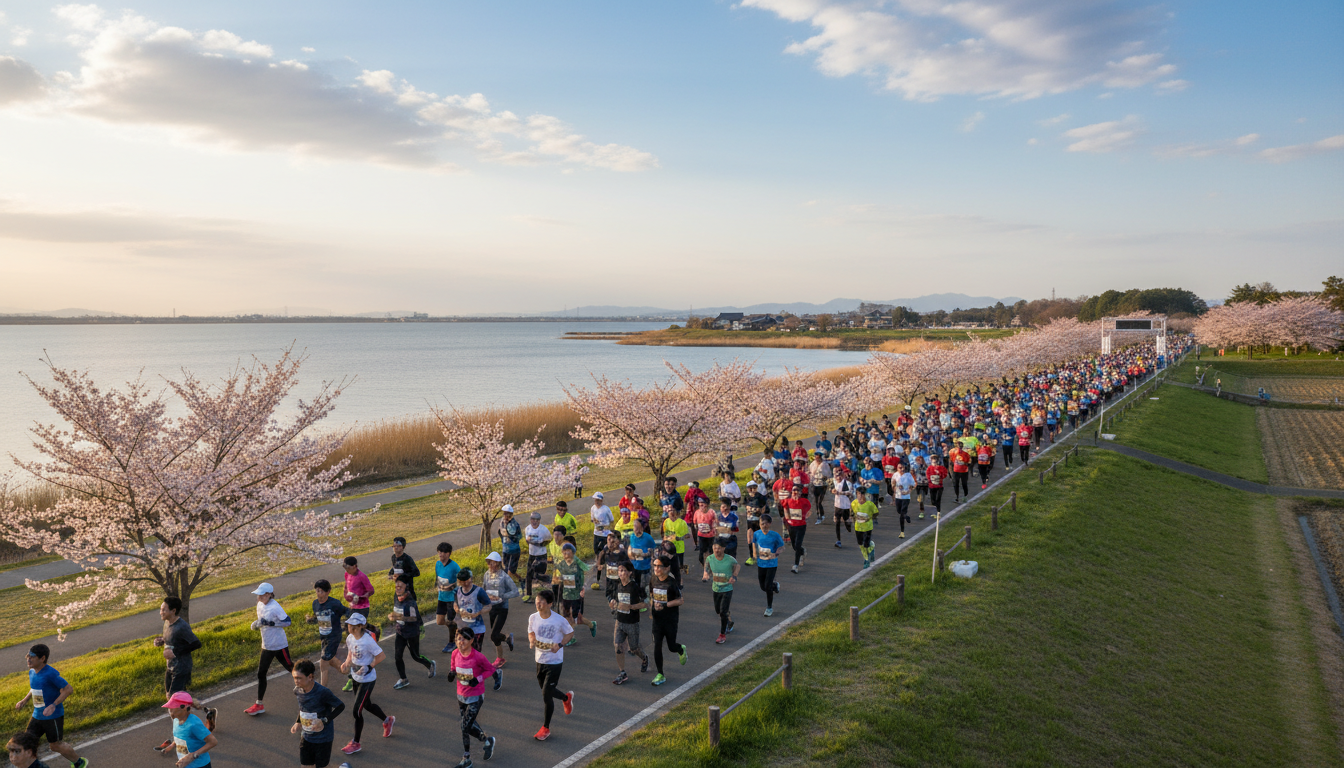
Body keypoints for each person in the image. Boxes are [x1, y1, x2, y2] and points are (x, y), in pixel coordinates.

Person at [15, 644, 88, 768]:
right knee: (26, 743)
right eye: (27, 656)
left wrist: (54, 705)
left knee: (55, 745)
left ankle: (79, 762)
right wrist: (24, 700)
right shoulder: (32, 672)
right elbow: (35, 688)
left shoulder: (51, 674)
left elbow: (68, 689)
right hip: (37, 715)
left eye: (32, 657)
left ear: (42, 658)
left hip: (52, 717)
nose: (28, 659)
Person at [153, 596, 210, 751]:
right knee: (170, 697)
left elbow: (196, 643)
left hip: (181, 667)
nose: (161, 612)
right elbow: (171, 640)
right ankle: (207, 711)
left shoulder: (182, 626)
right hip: (170, 667)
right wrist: (161, 641)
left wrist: (176, 652)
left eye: (164, 609)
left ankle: (177, 738)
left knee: (175, 702)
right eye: (161, 609)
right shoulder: (167, 623)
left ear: (173, 611)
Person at [339, 614, 393, 756]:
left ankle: (355, 743)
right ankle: (388, 720)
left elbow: (381, 656)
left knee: (357, 711)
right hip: (356, 677)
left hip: (367, 680)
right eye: (348, 624)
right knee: (367, 705)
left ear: (360, 626)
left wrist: (370, 666)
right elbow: (351, 652)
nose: (348, 627)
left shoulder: (368, 641)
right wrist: (346, 663)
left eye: (351, 625)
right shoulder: (350, 638)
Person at [527, 589, 575, 741]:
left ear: (550, 604)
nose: (538, 603)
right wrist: (531, 640)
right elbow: (531, 632)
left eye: (541, 601)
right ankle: (565, 698)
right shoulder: (533, 617)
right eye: (537, 600)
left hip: (554, 661)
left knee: (546, 693)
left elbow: (570, 633)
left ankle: (545, 728)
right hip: (539, 660)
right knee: (547, 690)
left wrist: (560, 644)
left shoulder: (559, 620)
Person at [449, 628, 499, 768]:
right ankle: (487, 740)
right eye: (459, 638)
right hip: (461, 695)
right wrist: (451, 674)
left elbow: (490, 669)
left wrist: (478, 679)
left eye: (464, 639)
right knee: (468, 725)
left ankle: (466, 759)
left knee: (464, 727)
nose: (461, 641)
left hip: (476, 696)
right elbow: (453, 667)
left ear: (471, 641)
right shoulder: (454, 653)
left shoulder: (478, 657)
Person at [245, 582, 293, 716]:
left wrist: (271, 623)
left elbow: (288, 621)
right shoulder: (260, 604)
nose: (258, 597)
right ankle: (259, 704)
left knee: (291, 667)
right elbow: (261, 620)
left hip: (279, 645)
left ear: (268, 594)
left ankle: (310, 685)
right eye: (258, 595)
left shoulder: (275, 607)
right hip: (266, 645)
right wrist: (257, 624)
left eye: (261, 595)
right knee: (261, 673)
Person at [290, 659, 345, 768]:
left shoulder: (323, 692)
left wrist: (324, 720)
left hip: (323, 738)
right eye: (294, 678)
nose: (296, 681)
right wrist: (298, 721)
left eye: (299, 678)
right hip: (306, 736)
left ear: (310, 677)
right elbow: (303, 708)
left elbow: (340, 706)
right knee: (305, 766)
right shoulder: (298, 691)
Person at [388, 575, 435, 689]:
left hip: (412, 633)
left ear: (406, 587)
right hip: (400, 632)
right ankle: (403, 679)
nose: (397, 588)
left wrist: (398, 617)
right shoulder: (396, 596)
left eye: (400, 586)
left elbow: (414, 618)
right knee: (397, 656)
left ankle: (430, 664)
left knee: (416, 656)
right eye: (396, 586)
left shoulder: (410, 602)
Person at [648, 555, 688, 686]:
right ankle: (660, 674)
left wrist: (665, 605)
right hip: (657, 620)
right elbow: (652, 596)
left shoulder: (672, 582)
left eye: (659, 566)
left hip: (670, 619)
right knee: (657, 645)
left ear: (667, 568)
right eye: (655, 565)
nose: (656, 568)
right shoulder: (653, 579)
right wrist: (651, 610)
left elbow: (680, 601)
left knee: (671, 646)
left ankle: (680, 649)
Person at [609, 562, 649, 685]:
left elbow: (645, 603)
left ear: (630, 572)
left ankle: (644, 658)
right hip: (619, 621)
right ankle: (622, 672)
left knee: (634, 648)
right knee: (618, 647)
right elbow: (614, 600)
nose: (621, 573)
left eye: (624, 570)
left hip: (632, 623)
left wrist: (631, 606)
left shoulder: (635, 587)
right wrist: (612, 604)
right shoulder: (617, 585)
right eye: (620, 570)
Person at [481, 552, 520, 669]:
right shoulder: (486, 575)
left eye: (491, 562)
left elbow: (515, 591)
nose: (489, 564)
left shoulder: (504, 576)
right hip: (491, 608)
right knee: (495, 635)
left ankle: (500, 658)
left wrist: (502, 596)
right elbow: (483, 589)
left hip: (502, 608)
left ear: (497, 563)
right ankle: (507, 638)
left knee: (493, 635)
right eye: (488, 562)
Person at [305, 580, 347, 688]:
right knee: (331, 661)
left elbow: (347, 612)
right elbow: (318, 618)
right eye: (317, 591)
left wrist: (351, 623)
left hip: (334, 636)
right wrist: (311, 620)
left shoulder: (334, 604)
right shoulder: (315, 604)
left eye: (321, 591)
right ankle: (353, 676)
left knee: (323, 662)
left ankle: (322, 690)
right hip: (324, 636)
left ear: (328, 592)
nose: (319, 594)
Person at [551, 543, 595, 642]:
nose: (566, 554)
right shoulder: (562, 563)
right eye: (564, 552)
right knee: (567, 616)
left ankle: (590, 625)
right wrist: (558, 579)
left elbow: (588, 569)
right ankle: (571, 636)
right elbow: (558, 575)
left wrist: (584, 587)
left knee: (574, 617)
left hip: (576, 594)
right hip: (566, 593)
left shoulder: (577, 562)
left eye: (568, 551)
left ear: (573, 552)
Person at [160, 692, 216, 768]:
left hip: (200, 765)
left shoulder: (194, 724)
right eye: (169, 708)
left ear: (184, 708)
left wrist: (192, 756)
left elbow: (213, 742)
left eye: (172, 708)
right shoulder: (176, 721)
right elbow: (181, 736)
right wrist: (172, 745)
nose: (170, 711)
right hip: (185, 764)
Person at [702, 539, 739, 644]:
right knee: (718, 611)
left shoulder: (729, 559)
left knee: (722, 612)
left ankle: (722, 635)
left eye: (719, 548)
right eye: (715, 548)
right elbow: (707, 567)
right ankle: (729, 621)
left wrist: (734, 576)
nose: (716, 550)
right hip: (716, 588)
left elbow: (737, 566)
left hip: (727, 589)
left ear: (723, 548)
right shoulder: (710, 558)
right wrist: (705, 574)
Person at [752, 514, 785, 616]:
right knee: (763, 587)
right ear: (759, 524)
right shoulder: (756, 534)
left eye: (766, 523)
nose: (764, 525)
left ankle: (769, 608)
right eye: (762, 524)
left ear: (770, 524)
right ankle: (775, 585)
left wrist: (776, 553)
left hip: (771, 564)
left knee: (768, 586)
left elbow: (782, 547)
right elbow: (754, 543)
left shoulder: (775, 535)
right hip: (761, 563)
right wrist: (754, 553)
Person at [434, 542, 462, 651]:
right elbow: (438, 577)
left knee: (450, 620)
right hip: (442, 597)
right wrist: (439, 585)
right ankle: (455, 628)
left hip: (452, 598)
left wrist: (453, 586)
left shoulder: (454, 566)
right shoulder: (438, 564)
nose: (441, 554)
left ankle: (452, 642)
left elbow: (462, 580)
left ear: (449, 553)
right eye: (439, 552)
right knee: (439, 621)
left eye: (443, 552)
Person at [779, 484, 811, 574]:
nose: (795, 492)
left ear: (800, 493)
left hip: (801, 526)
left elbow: (809, 510)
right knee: (794, 546)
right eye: (793, 491)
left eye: (797, 491)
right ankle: (802, 551)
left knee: (797, 545)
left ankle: (795, 565)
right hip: (791, 526)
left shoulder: (804, 502)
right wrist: (787, 516)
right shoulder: (788, 501)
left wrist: (807, 515)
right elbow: (784, 508)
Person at [522, 512, 551, 602]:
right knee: (529, 575)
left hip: (541, 555)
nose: (534, 522)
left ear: (539, 521)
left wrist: (540, 544)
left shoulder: (544, 530)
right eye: (533, 519)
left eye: (537, 520)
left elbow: (549, 539)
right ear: (530, 520)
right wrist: (529, 542)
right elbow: (527, 541)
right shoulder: (527, 529)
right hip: (532, 555)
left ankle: (550, 581)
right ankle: (528, 594)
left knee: (539, 574)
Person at [626, 517, 657, 590]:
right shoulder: (632, 537)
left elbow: (654, 549)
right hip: (634, 566)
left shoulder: (648, 537)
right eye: (635, 527)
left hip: (645, 566)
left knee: (644, 586)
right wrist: (630, 553)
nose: (636, 529)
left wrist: (648, 554)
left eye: (638, 527)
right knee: (635, 585)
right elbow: (630, 546)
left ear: (642, 528)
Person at [660, 505, 690, 579]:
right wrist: (663, 542)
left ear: (676, 512)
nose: (671, 512)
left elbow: (688, 535)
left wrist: (680, 538)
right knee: (669, 564)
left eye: (673, 510)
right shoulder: (666, 522)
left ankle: (680, 579)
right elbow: (664, 533)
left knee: (679, 565)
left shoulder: (682, 522)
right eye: (669, 511)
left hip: (679, 547)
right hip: (669, 547)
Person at [497, 505, 523, 581]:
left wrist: (513, 537)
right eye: (504, 513)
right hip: (505, 549)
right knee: (505, 568)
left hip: (515, 550)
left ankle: (513, 582)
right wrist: (503, 541)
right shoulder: (501, 523)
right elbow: (499, 532)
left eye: (507, 513)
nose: (505, 515)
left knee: (511, 570)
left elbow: (520, 536)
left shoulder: (515, 524)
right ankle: (517, 580)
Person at [854, 491, 879, 568]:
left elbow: (875, 513)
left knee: (865, 543)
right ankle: (872, 547)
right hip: (858, 526)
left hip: (868, 526)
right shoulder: (854, 503)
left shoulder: (869, 504)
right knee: (860, 543)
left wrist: (869, 517)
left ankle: (866, 560)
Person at [832, 467, 854, 548]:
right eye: (837, 476)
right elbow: (832, 489)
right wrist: (833, 491)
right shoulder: (834, 482)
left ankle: (848, 524)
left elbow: (849, 493)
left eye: (840, 475)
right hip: (837, 506)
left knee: (846, 520)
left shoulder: (847, 483)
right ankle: (838, 540)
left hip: (845, 506)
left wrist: (839, 493)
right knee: (837, 523)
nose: (838, 477)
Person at [691, 498, 716, 566]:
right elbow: (694, 522)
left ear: (707, 505)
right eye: (700, 506)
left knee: (711, 550)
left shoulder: (711, 512)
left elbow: (715, 522)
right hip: (701, 535)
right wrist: (696, 526)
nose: (702, 508)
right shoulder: (697, 512)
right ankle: (704, 563)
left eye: (704, 506)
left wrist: (713, 528)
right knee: (702, 550)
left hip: (710, 535)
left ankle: (712, 563)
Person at [589, 492, 614, 557]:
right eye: (595, 500)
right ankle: (598, 562)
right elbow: (592, 519)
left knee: (605, 550)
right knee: (596, 550)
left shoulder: (606, 509)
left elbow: (612, 520)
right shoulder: (593, 508)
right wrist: (594, 520)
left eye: (598, 500)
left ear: (601, 500)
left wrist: (611, 530)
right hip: (596, 533)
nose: (596, 501)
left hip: (605, 534)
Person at [893, 465, 914, 539]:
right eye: (899, 468)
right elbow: (893, 483)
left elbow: (913, 485)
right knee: (899, 511)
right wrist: (894, 488)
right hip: (898, 497)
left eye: (902, 467)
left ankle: (902, 532)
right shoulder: (895, 474)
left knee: (902, 513)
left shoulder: (908, 475)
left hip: (906, 497)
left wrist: (908, 491)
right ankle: (906, 516)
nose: (901, 469)